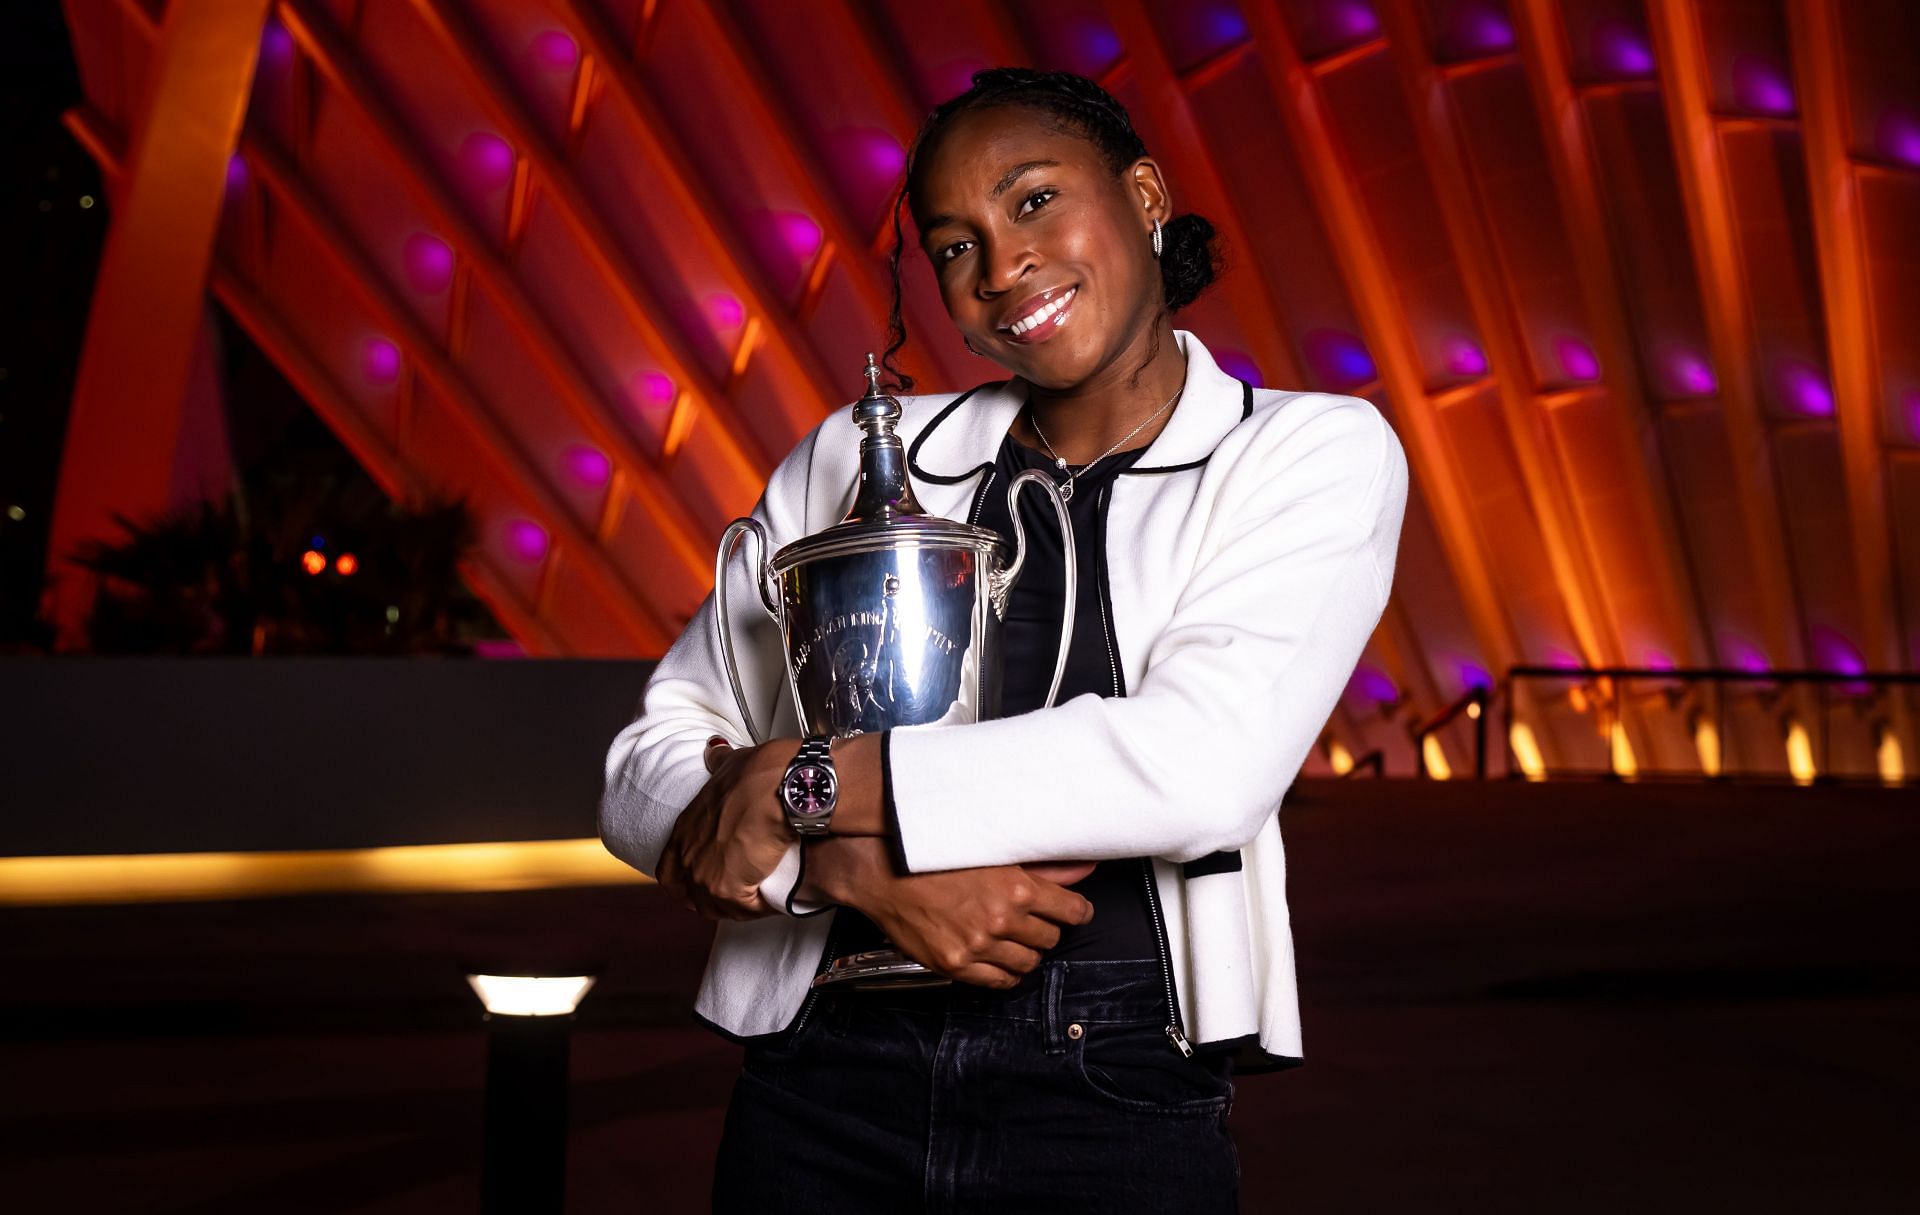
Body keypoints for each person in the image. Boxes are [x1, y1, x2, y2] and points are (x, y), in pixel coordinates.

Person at [600, 67, 1408, 1212]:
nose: (999, 266)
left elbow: (1200, 767)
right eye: (952, 246)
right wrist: (844, 870)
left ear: (1143, 194)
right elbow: (645, 774)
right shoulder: (859, 457)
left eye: (1034, 201)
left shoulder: (1302, 452)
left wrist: (808, 783)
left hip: (1110, 1086)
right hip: (822, 1081)